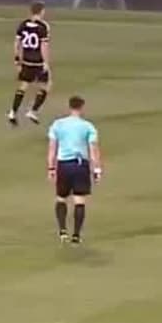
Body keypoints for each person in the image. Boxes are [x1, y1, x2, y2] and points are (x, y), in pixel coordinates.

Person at [47, 96, 102, 245]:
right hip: (80, 165)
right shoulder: (88, 126)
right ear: (82, 107)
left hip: (64, 165)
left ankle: (62, 231)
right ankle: (76, 235)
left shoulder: (58, 125)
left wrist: (51, 168)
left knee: (61, 198)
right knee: (79, 201)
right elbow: (93, 150)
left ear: (69, 107)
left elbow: (52, 148)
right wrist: (97, 169)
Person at [8, 2, 52, 126]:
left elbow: (17, 43)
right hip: (38, 61)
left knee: (23, 85)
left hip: (26, 60)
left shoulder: (23, 24)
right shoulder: (43, 26)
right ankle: (33, 111)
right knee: (45, 85)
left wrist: (17, 59)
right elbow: (44, 45)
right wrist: (46, 62)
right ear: (41, 11)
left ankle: (13, 112)